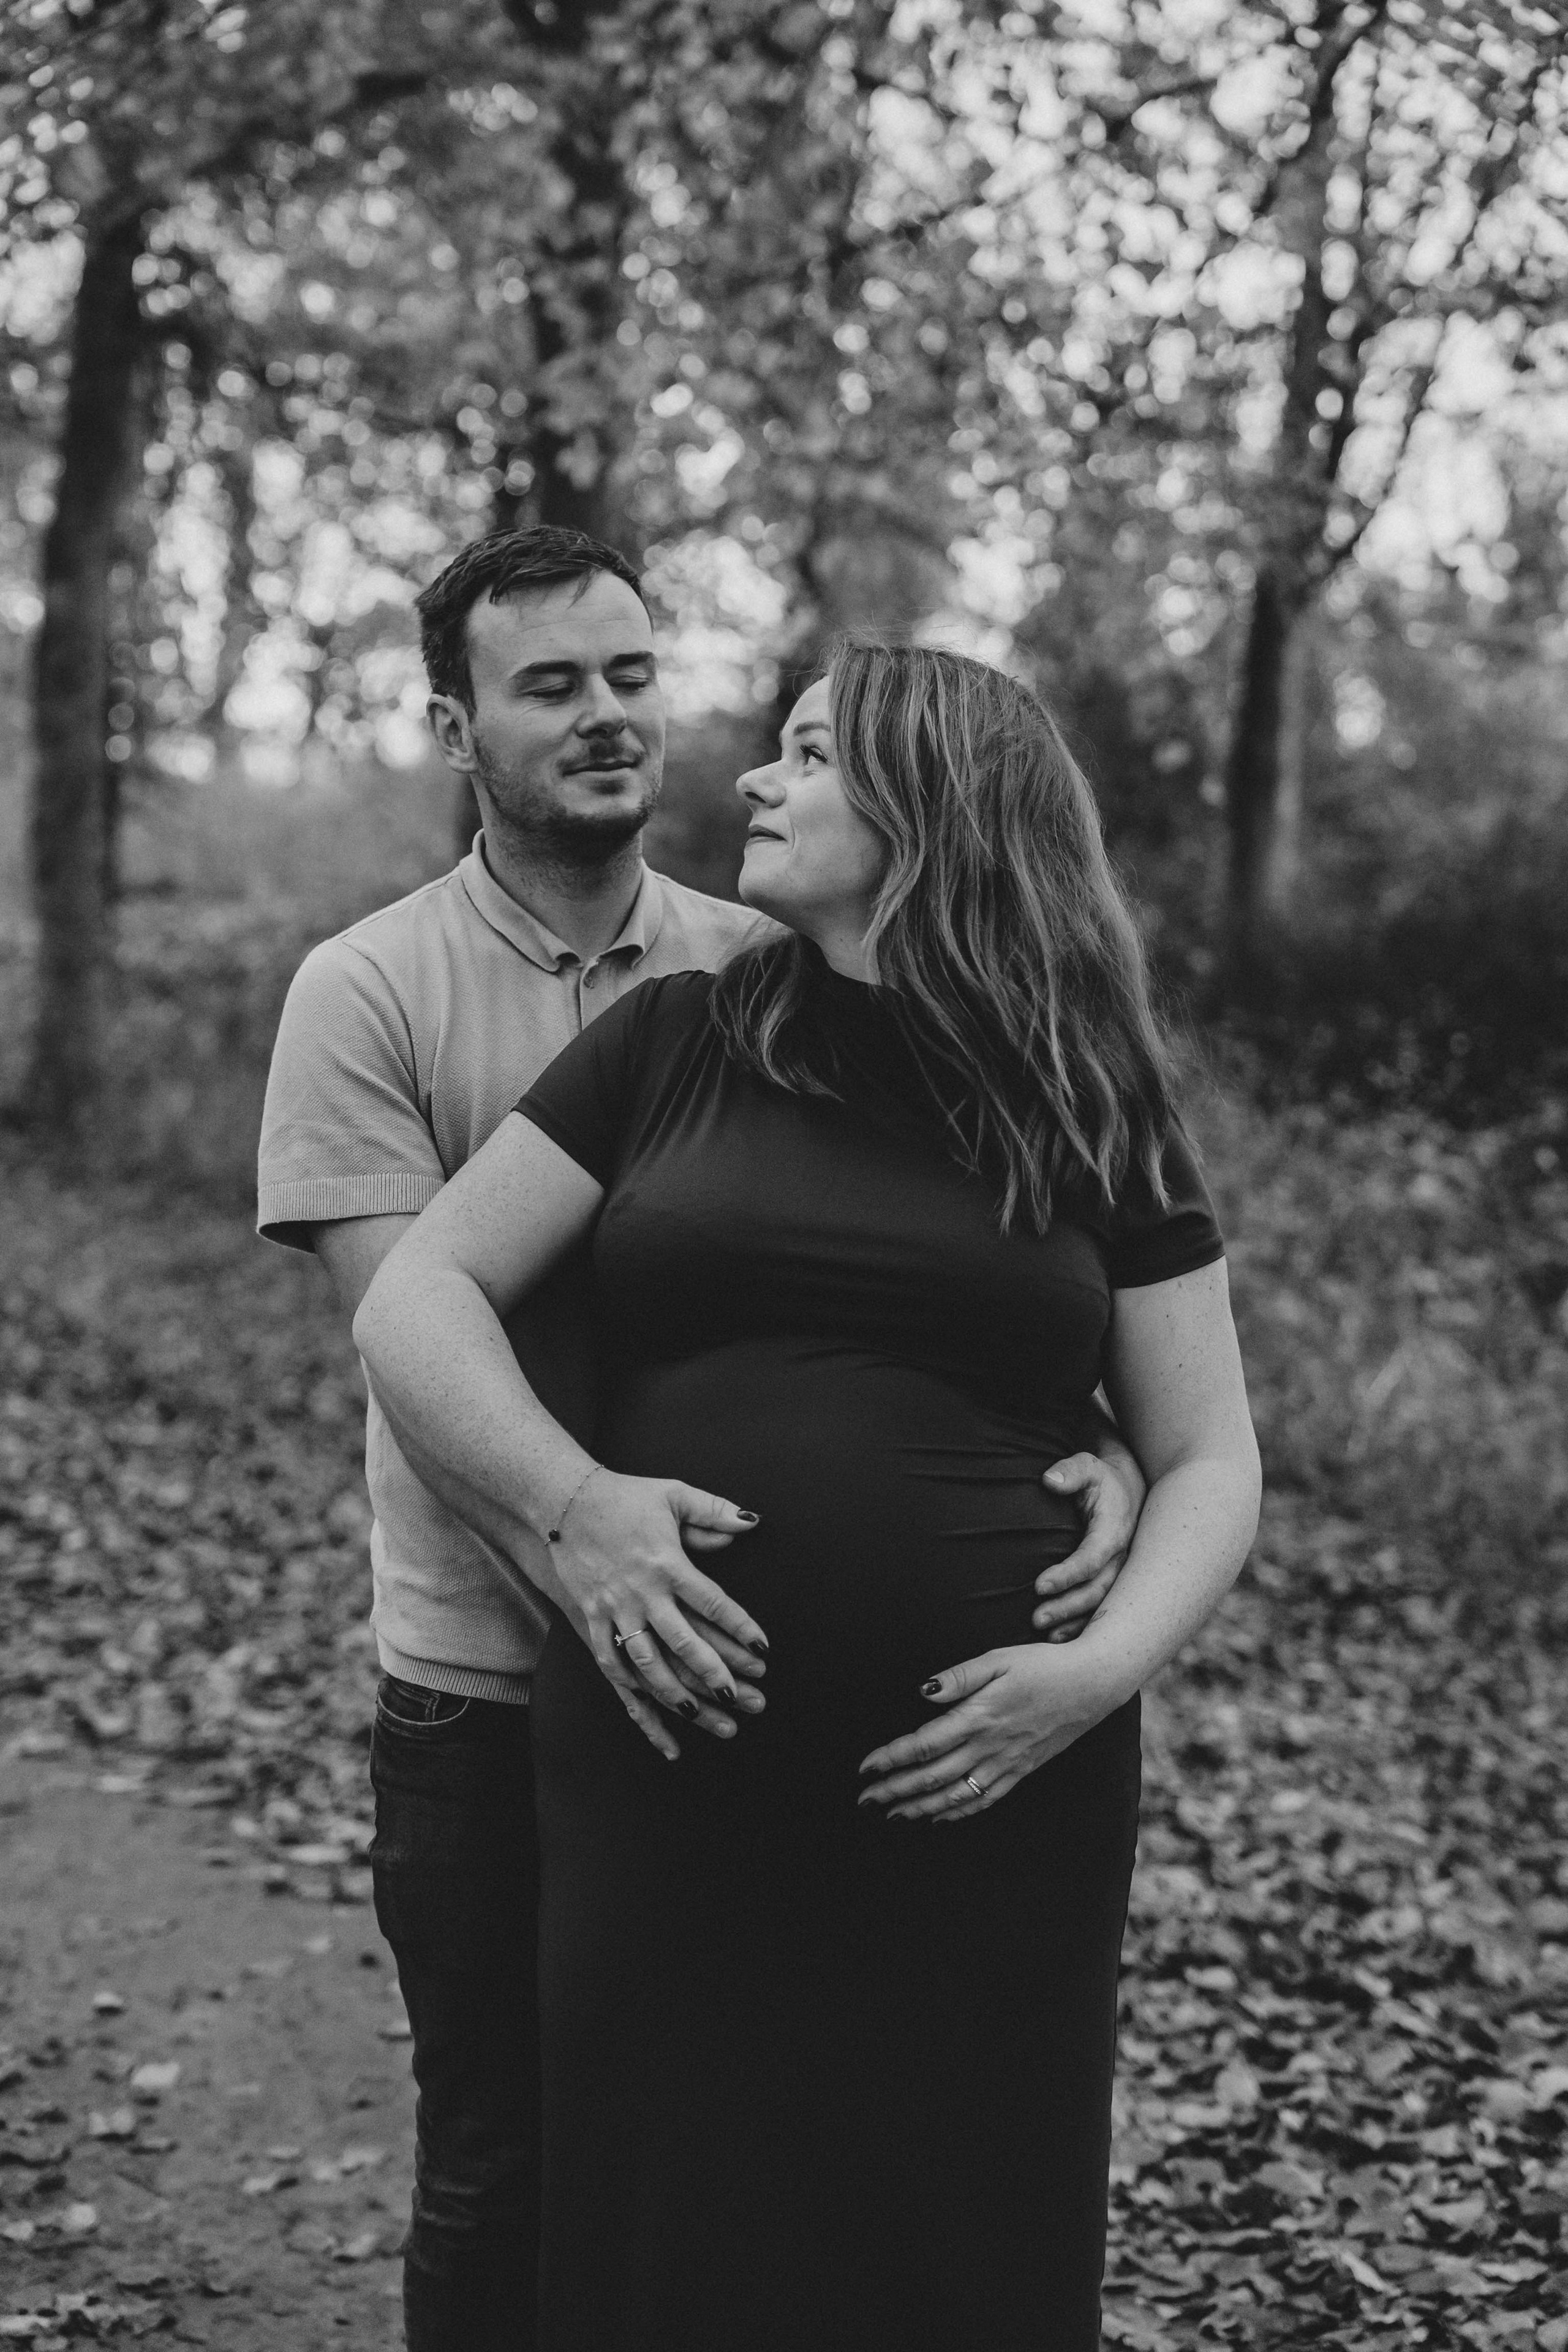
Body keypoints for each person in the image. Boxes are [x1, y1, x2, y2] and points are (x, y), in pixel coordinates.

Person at [256, 533, 1148, 2352]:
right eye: (551, 685)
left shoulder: (766, 959)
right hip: (495, 1680)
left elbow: (956, 1286)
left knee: (748, 2165)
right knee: (506, 2156)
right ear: (455, 721)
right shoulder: (369, 991)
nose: (610, 717)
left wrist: (1105, 1457)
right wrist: (595, 1544)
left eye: (631, 675)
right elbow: (424, 1340)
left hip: (742, 1710)